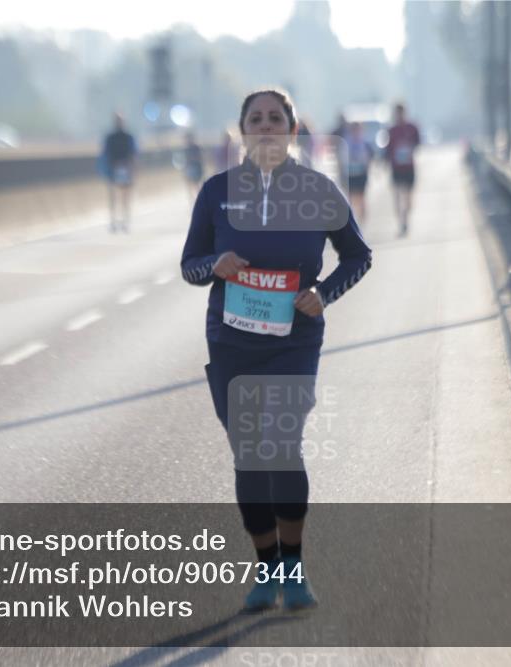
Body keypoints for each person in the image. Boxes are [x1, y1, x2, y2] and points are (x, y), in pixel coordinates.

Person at [180, 89, 372, 612]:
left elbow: (358, 256)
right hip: (231, 340)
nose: (265, 127)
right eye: (255, 119)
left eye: (275, 119)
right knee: (249, 457)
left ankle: (294, 565)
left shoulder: (318, 190)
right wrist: (213, 265)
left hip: (294, 341)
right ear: (243, 131)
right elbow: (190, 264)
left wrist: (323, 294)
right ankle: (266, 571)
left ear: (291, 130)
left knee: (281, 448)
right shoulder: (216, 192)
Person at [385, 103, 421, 237]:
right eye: (397, 113)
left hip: (409, 167)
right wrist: (385, 162)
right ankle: (401, 221)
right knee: (397, 195)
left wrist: (409, 149)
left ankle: (406, 216)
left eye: (401, 112)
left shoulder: (412, 128)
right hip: (396, 168)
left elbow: (418, 143)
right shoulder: (392, 130)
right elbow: (388, 148)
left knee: (408, 197)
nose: (399, 115)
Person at [101, 113, 137, 233]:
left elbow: (133, 154)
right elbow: (106, 154)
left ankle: (125, 221)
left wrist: (132, 169)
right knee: (113, 197)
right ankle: (113, 221)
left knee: (125, 197)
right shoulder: (110, 137)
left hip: (125, 169)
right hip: (113, 170)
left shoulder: (128, 137)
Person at [344, 122, 374, 225]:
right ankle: (354, 222)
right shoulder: (346, 142)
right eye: (354, 130)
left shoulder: (365, 143)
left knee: (361, 198)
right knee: (351, 199)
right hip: (350, 174)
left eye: (358, 130)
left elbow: (370, 158)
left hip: (361, 174)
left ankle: (362, 222)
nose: (356, 132)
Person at [183, 131, 205, 200]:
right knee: (189, 184)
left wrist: (193, 159)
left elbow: (199, 158)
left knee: (196, 184)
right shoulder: (186, 148)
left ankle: (200, 198)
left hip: (196, 167)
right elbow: (185, 160)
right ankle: (192, 199)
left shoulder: (196, 147)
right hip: (190, 168)